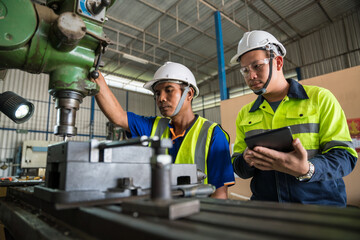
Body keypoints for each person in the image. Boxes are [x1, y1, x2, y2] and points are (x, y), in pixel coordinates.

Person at [230, 30, 357, 206]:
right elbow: (238, 167)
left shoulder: (320, 99)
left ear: (279, 62)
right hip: (267, 211)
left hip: (320, 209)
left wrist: (307, 169)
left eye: (257, 66)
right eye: (245, 70)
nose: (251, 76)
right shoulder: (246, 114)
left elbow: (345, 156)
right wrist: (245, 159)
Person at [93, 62, 235, 199]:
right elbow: (118, 117)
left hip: (197, 215)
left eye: (169, 90)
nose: (161, 98)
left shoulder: (213, 134)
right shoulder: (153, 126)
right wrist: (96, 76)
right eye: (157, 93)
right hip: (159, 211)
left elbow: (219, 194)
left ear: (189, 94)